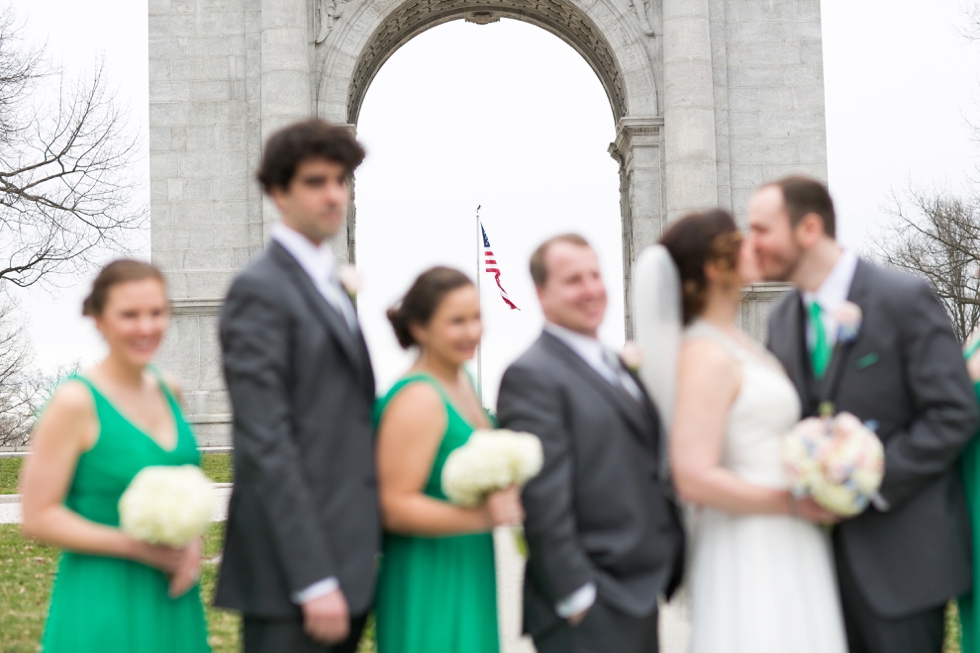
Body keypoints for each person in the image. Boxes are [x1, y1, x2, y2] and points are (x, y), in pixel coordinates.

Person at [752, 176, 978, 653]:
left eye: (762, 230)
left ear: (809, 228)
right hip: (816, 572)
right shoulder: (782, 320)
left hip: (904, 564)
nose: (752, 245)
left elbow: (954, 412)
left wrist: (863, 477)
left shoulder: (904, 298)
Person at [646, 210, 847, 653]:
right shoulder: (704, 353)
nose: (754, 245)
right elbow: (692, 475)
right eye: (742, 239)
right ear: (716, 268)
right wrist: (791, 502)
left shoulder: (741, 342)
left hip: (788, 532)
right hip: (750, 538)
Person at [214, 119, 380, 653]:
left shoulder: (328, 284)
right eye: (315, 181)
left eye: (341, 180)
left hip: (345, 569)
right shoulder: (259, 291)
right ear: (277, 192)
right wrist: (312, 578)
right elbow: (267, 445)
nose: (334, 195)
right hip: (294, 582)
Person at [496, 234, 684, 653]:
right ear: (542, 293)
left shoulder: (617, 364)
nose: (591, 289)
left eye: (595, 275)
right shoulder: (530, 376)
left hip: (638, 593)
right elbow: (543, 495)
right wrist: (577, 595)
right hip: (588, 607)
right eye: (573, 280)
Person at [20, 259, 209, 653]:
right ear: (99, 319)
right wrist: (136, 547)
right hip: (102, 591)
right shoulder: (74, 402)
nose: (146, 327)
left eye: (156, 313)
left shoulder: (169, 389)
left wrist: (190, 539)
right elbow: (38, 516)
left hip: (173, 596)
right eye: (129, 315)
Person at [373, 266, 523, 653]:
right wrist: (482, 517)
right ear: (420, 328)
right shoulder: (418, 398)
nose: (472, 331)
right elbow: (393, 505)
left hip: (470, 558)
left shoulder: (463, 381)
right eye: (456, 321)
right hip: (429, 566)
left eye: (476, 317)